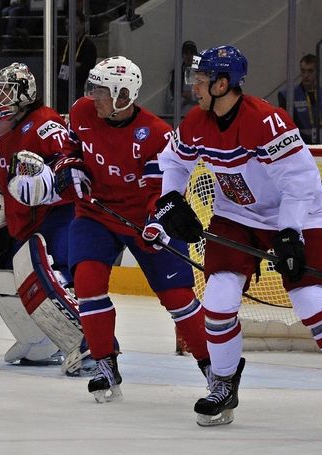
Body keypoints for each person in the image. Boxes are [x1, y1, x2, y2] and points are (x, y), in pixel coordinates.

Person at [153, 45, 322, 433]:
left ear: (223, 84)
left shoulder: (267, 121)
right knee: (219, 299)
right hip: (237, 214)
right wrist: (171, 200)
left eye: (202, 80)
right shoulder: (196, 120)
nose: (196, 87)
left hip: (298, 212)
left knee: (311, 301)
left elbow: (300, 183)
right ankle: (223, 384)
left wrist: (289, 232)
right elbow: (174, 161)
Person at [53, 56, 210, 403]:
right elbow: (71, 148)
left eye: (101, 91)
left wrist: (158, 222)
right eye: (92, 88)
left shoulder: (155, 134)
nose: (93, 96)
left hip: (143, 220)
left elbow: (162, 190)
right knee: (88, 285)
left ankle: (214, 368)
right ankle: (105, 364)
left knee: (178, 299)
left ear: (123, 95)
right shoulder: (82, 112)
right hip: (94, 213)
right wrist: (69, 166)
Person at [0, 62, 91, 376]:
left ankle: (91, 343)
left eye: (8, 90)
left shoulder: (44, 123)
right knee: (14, 281)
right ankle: (37, 339)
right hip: (25, 221)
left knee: (64, 276)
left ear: (26, 93)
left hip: (56, 214)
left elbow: (67, 164)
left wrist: (49, 182)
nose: (0, 97)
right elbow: (5, 180)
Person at [278, 54, 322, 144]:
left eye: (310, 71)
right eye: (303, 71)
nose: (306, 75)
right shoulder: (288, 95)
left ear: (317, 72)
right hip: (300, 147)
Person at [57, 11, 97, 114]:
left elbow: (87, 68)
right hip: (61, 88)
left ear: (82, 25)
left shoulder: (88, 46)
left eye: (74, 24)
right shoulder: (63, 44)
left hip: (78, 88)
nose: (69, 27)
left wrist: (73, 65)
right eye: (67, 24)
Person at [166, 40, 199, 117]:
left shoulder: (202, 73)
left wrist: (191, 96)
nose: (189, 56)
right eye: (186, 53)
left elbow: (206, 97)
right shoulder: (175, 74)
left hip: (198, 117)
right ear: (182, 55)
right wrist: (184, 99)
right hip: (181, 118)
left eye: (191, 53)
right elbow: (170, 103)